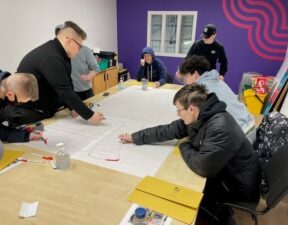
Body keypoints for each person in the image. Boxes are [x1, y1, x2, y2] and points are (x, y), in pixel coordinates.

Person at [119, 84, 261, 225]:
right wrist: (135, 137)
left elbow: (201, 166)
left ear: (191, 109)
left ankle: (222, 217)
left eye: (179, 110)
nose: (178, 114)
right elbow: (168, 130)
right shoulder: (202, 114)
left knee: (180, 194)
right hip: (225, 174)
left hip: (237, 186)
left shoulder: (220, 128)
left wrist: (184, 144)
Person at [14, 21, 104, 126]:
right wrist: (91, 116)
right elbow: (65, 92)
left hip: (47, 107)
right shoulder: (52, 57)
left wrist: (74, 107)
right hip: (32, 112)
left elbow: (68, 84)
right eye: (79, 46)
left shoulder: (62, 55)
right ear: (69, 41)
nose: (79, 50)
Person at [177, 55, 256, 144]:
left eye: (186, 78)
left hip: (241, 136)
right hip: (251, 126)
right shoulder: (216, 80)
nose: (185, 83)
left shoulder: (202, 90)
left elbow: (193, 123)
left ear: (195, 75)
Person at [55, 24, 99, 101]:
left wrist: (88, 76)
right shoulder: (57, 53)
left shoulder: (85, 50)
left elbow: (96, 68)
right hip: (70, 93)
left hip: (85, 91)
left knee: (89, 111)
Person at [0, 72, 44, 142]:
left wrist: (23, 131)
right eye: (20, 102)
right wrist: (26, 136)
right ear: (10, 94)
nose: (19, 104)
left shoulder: (5, 82)